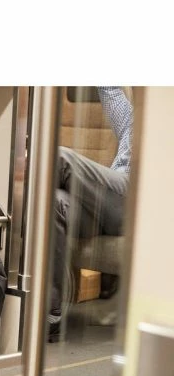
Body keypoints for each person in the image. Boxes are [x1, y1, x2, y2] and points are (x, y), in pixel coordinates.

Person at [48, 86, 133, 342]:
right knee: (54, 203)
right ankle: (51, 315)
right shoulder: (132, 121)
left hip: (135, 202)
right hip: (106, 204)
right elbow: (109, 89)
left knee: (58, 157)